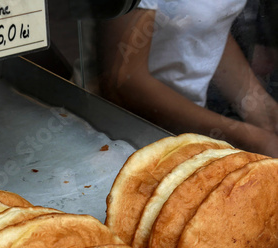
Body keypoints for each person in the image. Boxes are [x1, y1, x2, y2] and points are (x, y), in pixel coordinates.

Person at [97, 0, 278, 157]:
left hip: (189, 127)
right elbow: (122, 82)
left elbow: (207, 25)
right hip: (123, 133)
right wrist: (246, 137)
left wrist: (266, 113)